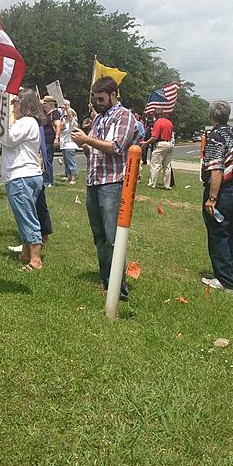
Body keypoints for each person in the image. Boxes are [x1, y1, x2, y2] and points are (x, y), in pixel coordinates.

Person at [71, 77, 138, 300]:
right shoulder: (99, 118)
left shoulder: (124, 116)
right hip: (94, 181)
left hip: (112, 183)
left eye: (101, 98)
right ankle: (106, 278)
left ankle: (118, 286)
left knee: (112, 237)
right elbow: (95, 154)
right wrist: (85, 144)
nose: (98, 103)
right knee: (99, 235)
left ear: (113, 94)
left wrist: (88, 140)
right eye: (95, 99)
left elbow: (116, 147)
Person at [201, 100, 233, 292]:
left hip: (223, 191)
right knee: (232, 233)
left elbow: (217, 168)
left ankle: (226, 281)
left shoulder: (216, 136)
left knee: (218, 232)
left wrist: (212, 198)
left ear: (211, 116)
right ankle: (228, 272)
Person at [0, 89, 45, 270]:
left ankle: (35, 260)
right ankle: (26, 252)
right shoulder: (29, 123)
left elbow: (8, 140)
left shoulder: (26, 122)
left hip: (21, 175)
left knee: (27, 216)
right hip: (26, 175)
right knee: (24, 215)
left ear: (24, 105)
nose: (13, 108)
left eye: (15, 104)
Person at [147, 108, 174, 189]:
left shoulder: (158, 123)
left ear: (156, 115)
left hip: (161, 144)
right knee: (167, 166)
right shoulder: (169, 122)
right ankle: (167, 185)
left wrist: (146, 143)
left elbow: (154, 137)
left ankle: (152, 184)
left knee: (155, 165)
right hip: (169, 143)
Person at [41, 96, 62, 187]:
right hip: (44, 141)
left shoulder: (54, 113)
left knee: (48, 160)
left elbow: (58, 125)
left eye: (45, 104)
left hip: (49, 140)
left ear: (50, 104)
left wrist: (56, 138)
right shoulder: (47, 114)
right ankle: (45, 179)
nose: (43, 106)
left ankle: (48, 180)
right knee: (44, 160)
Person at [59, 100, 79, 185]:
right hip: (64, 145)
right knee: (66, 163)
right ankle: (69, 177)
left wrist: (67, 109)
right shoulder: (64, 122)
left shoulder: (72, 123)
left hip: (70, 145)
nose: (65, 115)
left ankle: (73, 178)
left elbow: (70, 118)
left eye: (67, 114)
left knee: (71, 162)